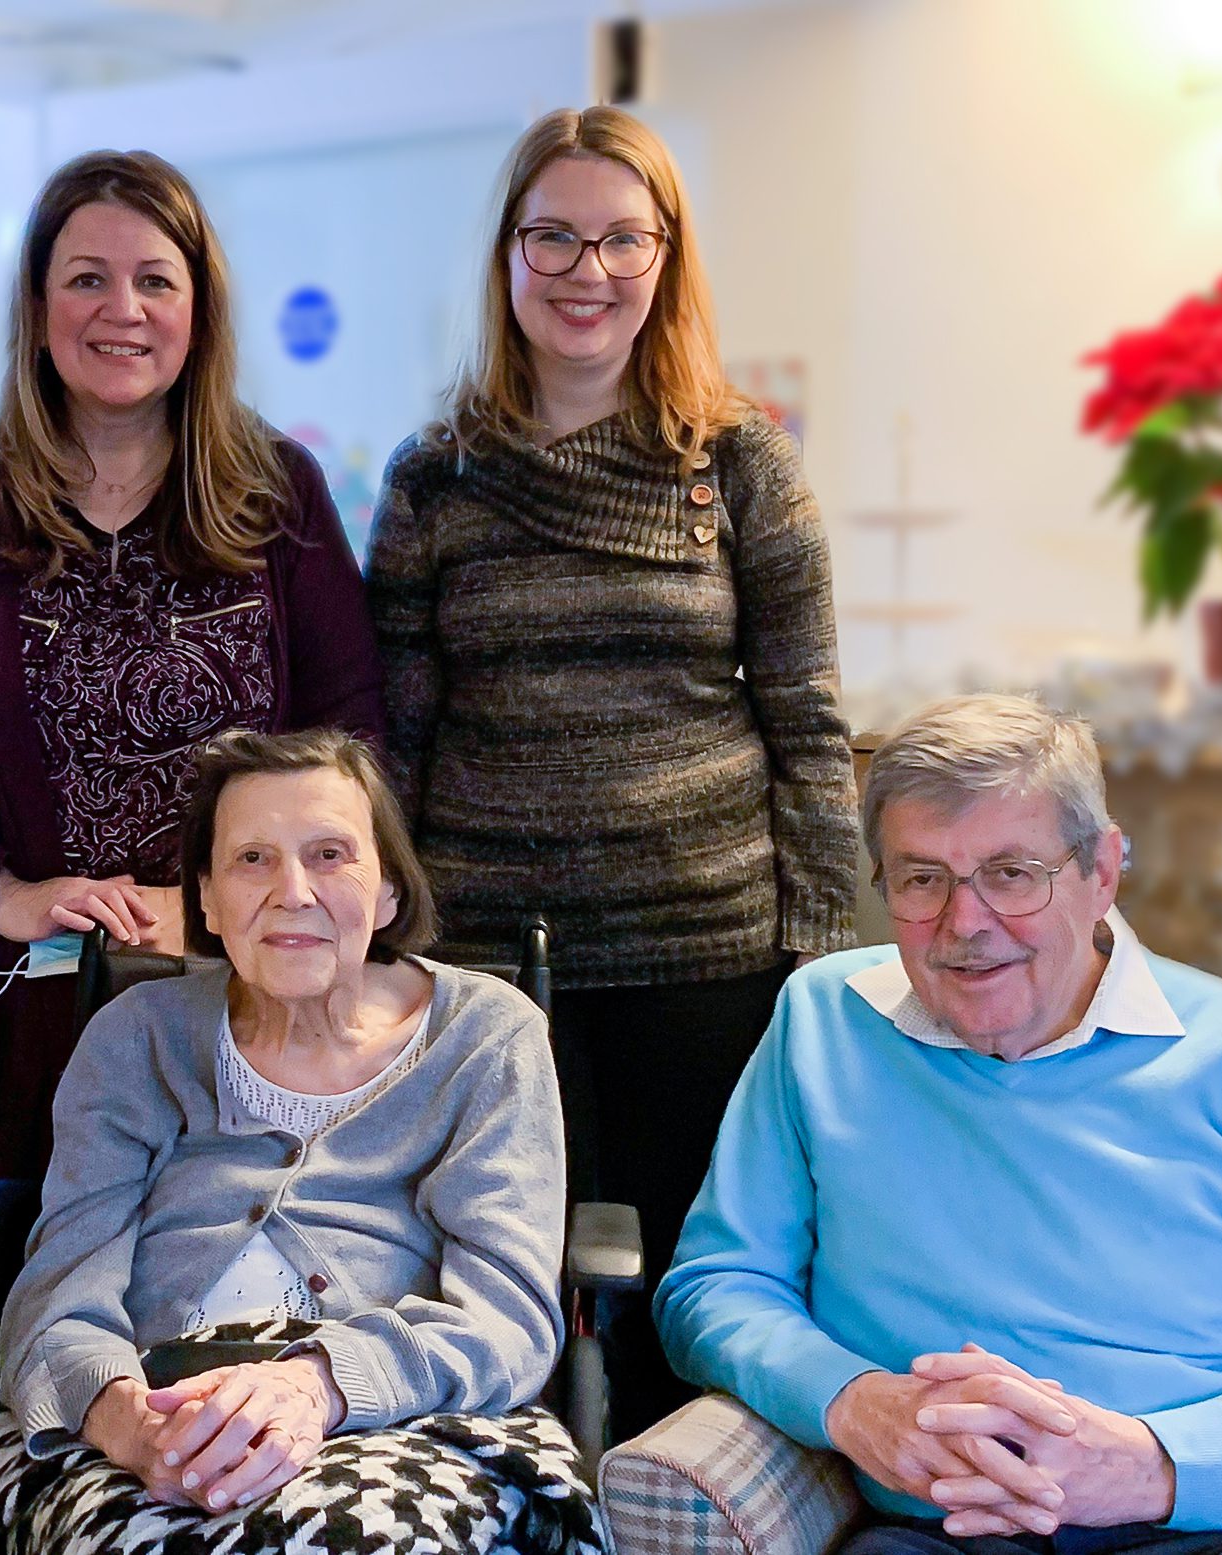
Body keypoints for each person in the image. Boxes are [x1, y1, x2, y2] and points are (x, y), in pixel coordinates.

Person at [365, 104, 858, 1436]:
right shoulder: (433, 477)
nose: (589, 271)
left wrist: (822, 953)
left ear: (667, 257)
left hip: (710, 959)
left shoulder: (744, 463)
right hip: (490, 967)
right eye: (556, 237)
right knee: (504, 1296)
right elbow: (397, 743)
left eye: (622, 239)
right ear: (510, 256)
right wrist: (381, 943)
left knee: (690, 1305)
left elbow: (808, 719)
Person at [0, 728, 601, 1555]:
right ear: (203, 898)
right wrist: (124, 1419)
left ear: (387, 889)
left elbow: (508, 1316)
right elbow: (59, 1289)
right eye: (251, 860)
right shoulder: (136, 1038)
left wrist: (317, 1385)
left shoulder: (487, 1035)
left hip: (402, 1418)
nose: (293, 890)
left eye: (331, 853)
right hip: (158, 1414)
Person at [0, 150, 384, 1313]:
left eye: (154, 280)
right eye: (87, 279)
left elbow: (349, 743)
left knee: (219, 1348)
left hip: (236, 1010)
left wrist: (216, 906)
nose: (122, 311)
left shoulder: (274, 492)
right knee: (16, 1354)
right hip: (15, 1010)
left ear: (197, 308)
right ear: (38, 307)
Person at [657, 693, 1222, 1549]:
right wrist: (854, 1399)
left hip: (1213, 1527)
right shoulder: (823, 1020)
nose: (963, 924)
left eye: (1012, 873)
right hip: (929, 1533)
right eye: (920, 879)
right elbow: (713, 1284)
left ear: (1103, 872)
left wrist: (1154, 1462)